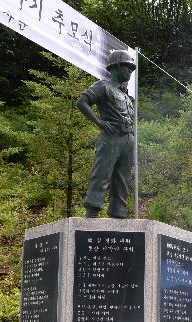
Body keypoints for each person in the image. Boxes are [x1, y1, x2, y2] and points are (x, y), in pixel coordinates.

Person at [77, 50, 136, 219]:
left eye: (132, 69)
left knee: (123, 179)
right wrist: (99, 122)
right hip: (111, 137)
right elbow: (82, 102)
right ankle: (92, 213)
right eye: (127, 67)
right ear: (116, 66)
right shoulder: (103, 86)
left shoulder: (126, 95)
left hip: (128, 138)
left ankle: (118, 214)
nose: (130, 71)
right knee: (102, 174)